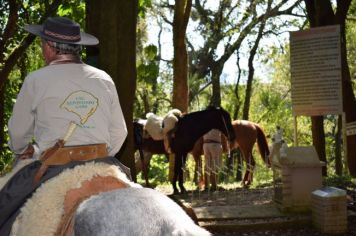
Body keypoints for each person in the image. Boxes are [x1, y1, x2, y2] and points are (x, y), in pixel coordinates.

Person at [0, 16, 128, 235]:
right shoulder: (104, 78)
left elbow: (18, 132)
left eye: (42, 44)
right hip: (100, 159)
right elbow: (120, 132)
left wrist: (23, 150)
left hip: (53, 163)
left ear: (50, 47)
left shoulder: (36, 79)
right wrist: (98, 154)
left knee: (5, 203)